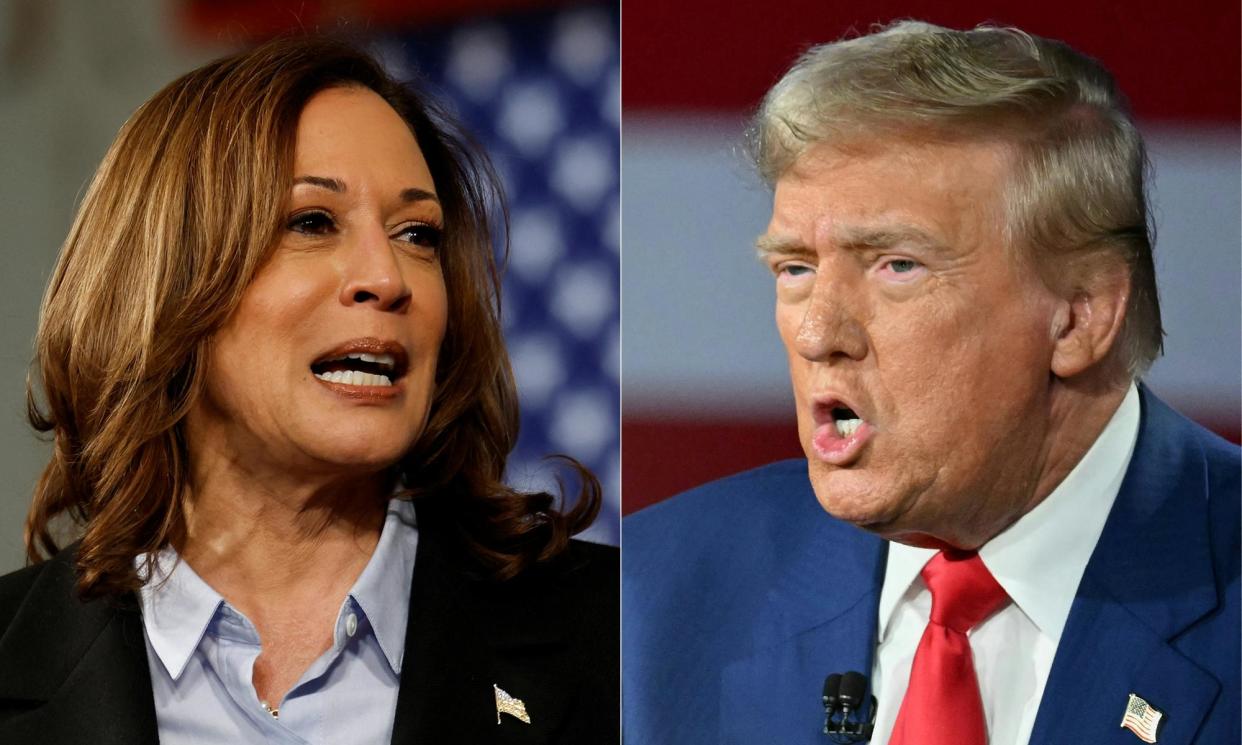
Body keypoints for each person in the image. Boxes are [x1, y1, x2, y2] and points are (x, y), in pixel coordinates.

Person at [624, 21, 1238, 745]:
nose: (819, 333)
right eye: (795, 268)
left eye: (897, 265)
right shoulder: (650, 596)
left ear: (1080, 315)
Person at [0, 36, 617, 744]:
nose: (387, 278)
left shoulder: (620, 634)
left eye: (418, 233)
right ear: (166, 281)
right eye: (313, 222)